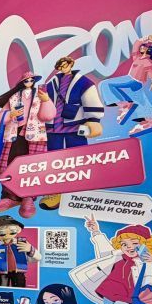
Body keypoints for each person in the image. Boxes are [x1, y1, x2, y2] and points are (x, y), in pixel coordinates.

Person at [39, 56, 106, 212]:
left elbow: (91, 99)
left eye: (65, 65)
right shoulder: (52, 82)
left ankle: (80, 191)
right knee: (53, 159)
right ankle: (55, 192)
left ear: (71, 64)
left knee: (78, 157)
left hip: (74, 124)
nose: (63, 68)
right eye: (60, 66)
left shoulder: (83, 82)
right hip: (53, 125)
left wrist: (93, 119)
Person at [0, 68, 55, 220]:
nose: (29, 82)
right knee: (10, 163)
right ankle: (10, 196)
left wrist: (46, 100)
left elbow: (48, 115)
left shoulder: (40, 95)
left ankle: (28, 197)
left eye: (32, 80)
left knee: (33, 165)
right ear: (21, 82)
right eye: (26, 80)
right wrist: (11, 114)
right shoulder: (14, 97)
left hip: (35, 134)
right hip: (14, 133)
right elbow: (1, 117)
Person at [0, 215, 40, 288]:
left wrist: (30, 249)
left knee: (20, 287)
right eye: (2, 232)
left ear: (18, 229)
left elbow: (38, 258)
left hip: (19, 272)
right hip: (2, 273)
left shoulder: (22, 244)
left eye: (12, 231)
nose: (7, 234)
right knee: (2, 288)